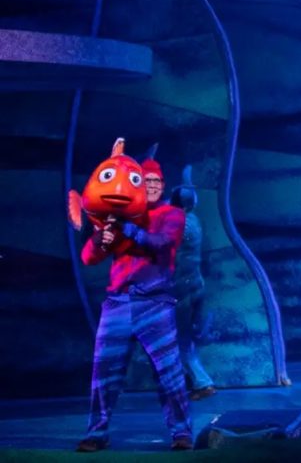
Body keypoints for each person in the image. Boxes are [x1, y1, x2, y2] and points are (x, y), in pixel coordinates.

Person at [77, 146, 192, 452]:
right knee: (103, 373)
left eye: (156, 182)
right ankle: (96, 434)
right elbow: (88, 257)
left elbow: (161, 242)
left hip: (155, 303)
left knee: (169, 372)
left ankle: (181, 433)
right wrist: (101, 239)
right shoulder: (120, 213)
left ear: (163, 186)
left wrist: (126, 228)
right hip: (117, 303)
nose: (151, 185)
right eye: (146, 180)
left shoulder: (172, 214)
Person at [167, 164, 216, 400]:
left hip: (182, 289)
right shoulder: (195, 220)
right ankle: (191, 381)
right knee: (186, 339)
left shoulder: (178, 223)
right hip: (196, 284)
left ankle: (202, 382)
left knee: (182, 340)